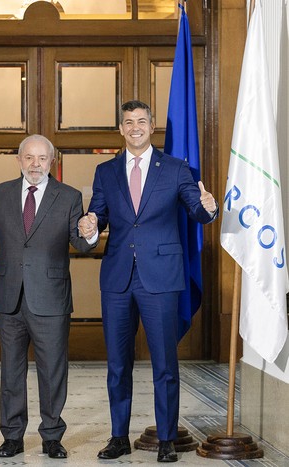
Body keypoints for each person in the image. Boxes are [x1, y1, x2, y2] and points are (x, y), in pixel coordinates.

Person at [81, 100, 218, 463]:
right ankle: (118, 437)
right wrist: (91, 227)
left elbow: (196, 209)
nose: (135, 127)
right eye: (128, 122)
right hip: (117, 278)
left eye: (142, 121)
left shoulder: (175, 169)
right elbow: (99, 214)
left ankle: (167, 439)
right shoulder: (105, 171)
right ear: (121, 129)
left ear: (152, 126)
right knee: (117, 364)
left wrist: (208, 206)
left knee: (164, 363)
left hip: (161, 277)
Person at [0, 134, 95, 459]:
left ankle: (52, 437)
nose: (35, 164)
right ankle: (12, 436)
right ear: (19, 160)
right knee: (11, 370)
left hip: (52, 298)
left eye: (42, 158)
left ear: (51, 161)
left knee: (53, 370)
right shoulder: (1, 194)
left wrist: (90, 233)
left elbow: (80, 242)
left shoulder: (69, 196)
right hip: (10, 297)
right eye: (29, 157)